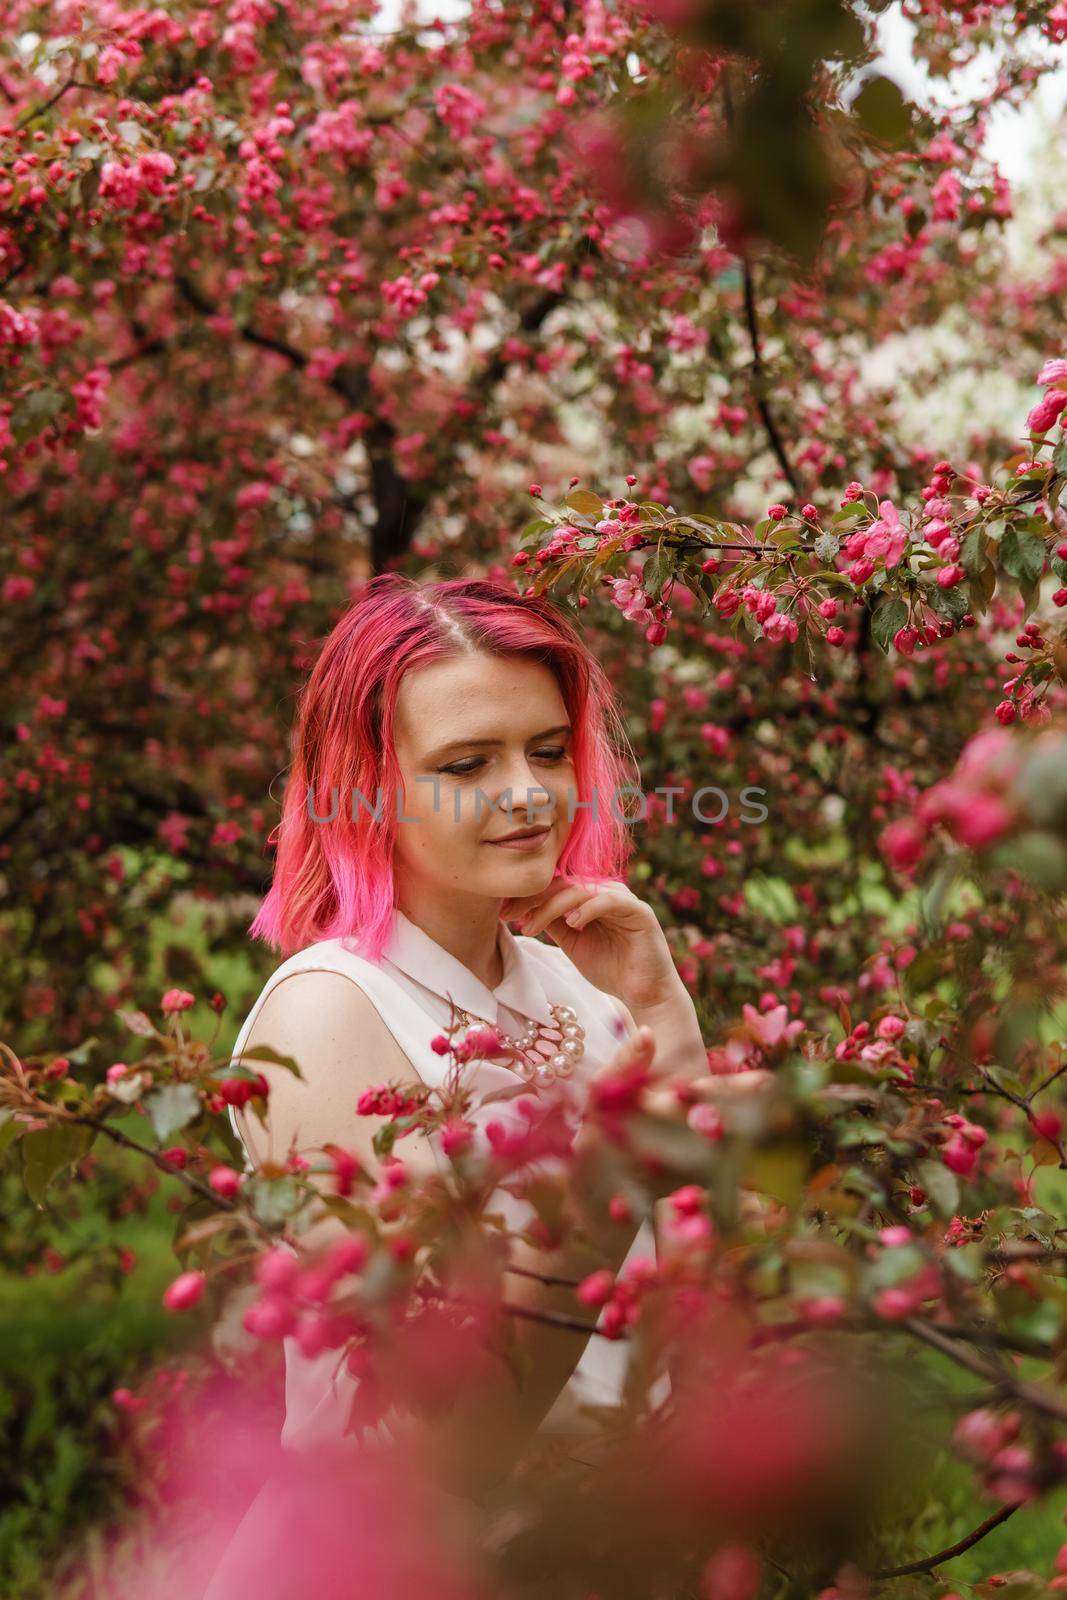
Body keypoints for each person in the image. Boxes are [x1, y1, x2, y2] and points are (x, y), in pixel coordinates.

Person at [201, 574, 713, 1595]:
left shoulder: (566, 980)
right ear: (368, 784)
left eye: (549, 747)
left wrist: (660, 1015)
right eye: (466, 763)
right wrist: (610, 1179)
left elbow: (698, 1295)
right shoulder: (329, 1014)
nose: (526, 790)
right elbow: (428, 1443)